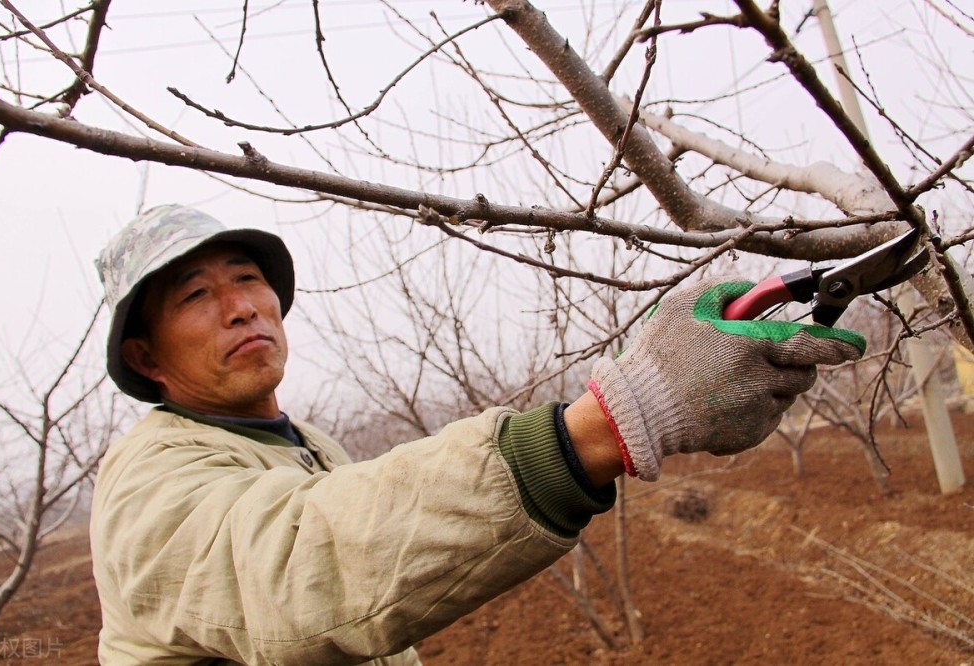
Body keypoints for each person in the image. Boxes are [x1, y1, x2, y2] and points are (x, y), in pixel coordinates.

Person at [90, 204, 865, 665]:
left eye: (247, 277)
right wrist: (619, 418)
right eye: (196, 293)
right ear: (144, 355)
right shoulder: (149, 480)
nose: (241, 306)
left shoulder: (303, 445)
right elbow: (301, 565)